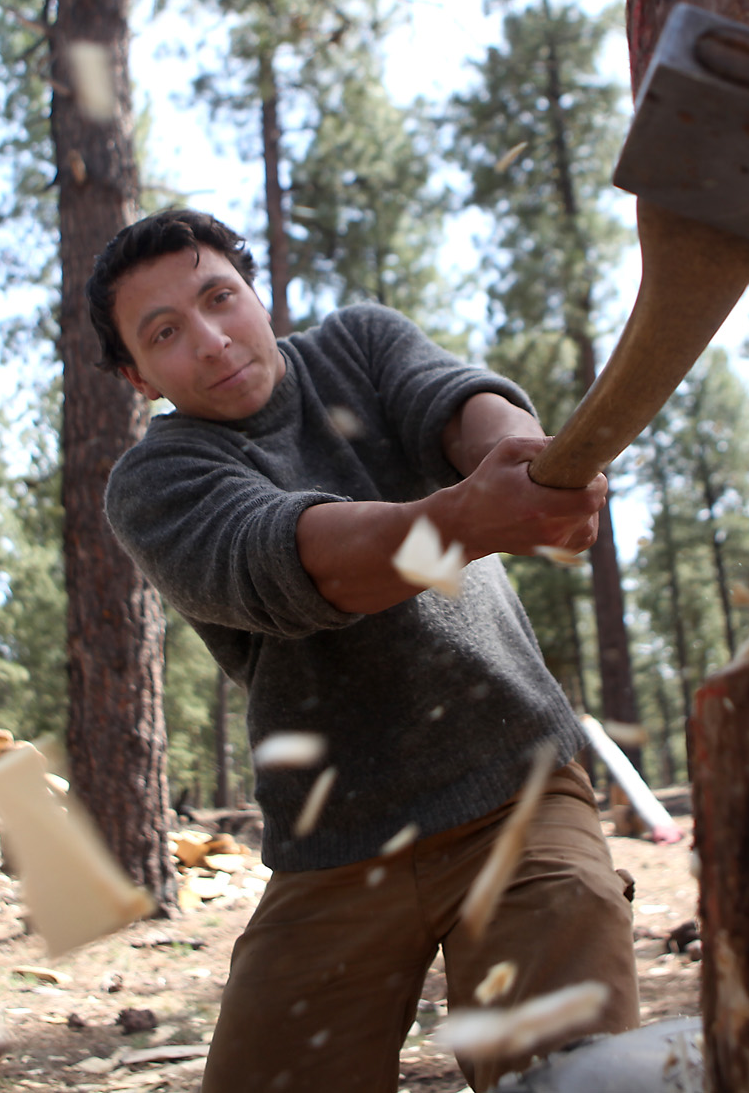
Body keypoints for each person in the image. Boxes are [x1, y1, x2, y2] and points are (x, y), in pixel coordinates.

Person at [89, 209, 641, 1092]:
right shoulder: (158, 482)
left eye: (219, 298)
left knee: (581, 1074)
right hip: (336, 845)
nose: (211, 338)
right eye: (165, 333)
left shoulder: (360, 342)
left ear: (254, 291)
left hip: (521, 794)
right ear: (134, 373)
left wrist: (527, 470)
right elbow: (303, 565)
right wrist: (466, 520)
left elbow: (459, 403)